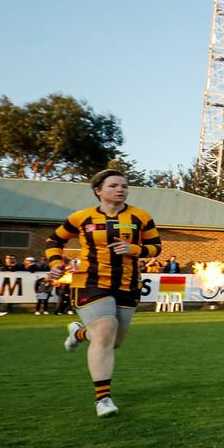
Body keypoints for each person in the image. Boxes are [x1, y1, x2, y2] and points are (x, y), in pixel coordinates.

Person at [46, 169, 161, 417]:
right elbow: (54, 241)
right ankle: (103, 399)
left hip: (128, 285)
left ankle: (79, 332)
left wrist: (133, 248)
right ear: (98, 190)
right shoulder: (81, 218)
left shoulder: (141, 217)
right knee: (105, 331)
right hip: (90, 281)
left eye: (124, 186)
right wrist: (56, 264)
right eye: (113, 186)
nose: (120, 190)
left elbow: (156, 248)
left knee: (113, 342)